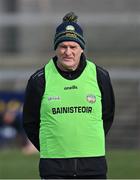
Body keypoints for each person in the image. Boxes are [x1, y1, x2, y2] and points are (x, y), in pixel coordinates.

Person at [23, 12, 115, 179]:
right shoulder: (39, 79)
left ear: (81, 48)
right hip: (54, 168)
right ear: (56, 48)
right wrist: (51, 146)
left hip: (93, 166)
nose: (68, 52)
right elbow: (30, 122)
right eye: (63, 46)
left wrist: (89, 142)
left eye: (73, 47)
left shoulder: (100, 76)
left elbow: (107, 116)